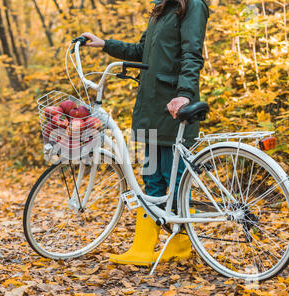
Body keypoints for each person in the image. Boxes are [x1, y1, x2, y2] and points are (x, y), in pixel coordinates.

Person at [81, 0, 209, 266]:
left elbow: (192, 53)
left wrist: (184, 95)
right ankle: (143, 246)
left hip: (174, 107)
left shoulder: (192, 5)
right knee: (150, 179)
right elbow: (141, 51)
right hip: (149, 108)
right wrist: (105, 44)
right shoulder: (160, 10)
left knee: (175, 182)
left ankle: (180, 243)